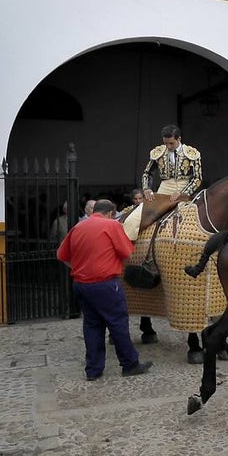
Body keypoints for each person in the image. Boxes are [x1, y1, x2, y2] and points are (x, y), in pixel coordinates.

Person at [56, 200, 153, 380]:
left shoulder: (78, 227)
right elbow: (127, 254)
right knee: (118, 324)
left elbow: (61, 255)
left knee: (92, 325)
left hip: (81, 284)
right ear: (110, 213)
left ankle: (93, 370)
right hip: (105, 284)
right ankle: (129, 364)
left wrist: (78, 268)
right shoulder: (111, 225)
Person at [123, 124, 203, 240]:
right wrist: (146, 188)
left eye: (171, 143)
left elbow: (197, 178)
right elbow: (147, 173)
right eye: (166, 143)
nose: (168, 146)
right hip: (164, 189)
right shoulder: (158, 152)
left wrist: (183, 193)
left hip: (184, 188)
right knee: (137, 216)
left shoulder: (192, 154)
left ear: (179, 139)